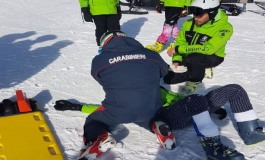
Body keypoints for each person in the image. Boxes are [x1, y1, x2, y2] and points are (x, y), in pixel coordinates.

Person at [55, 84, 265, 160]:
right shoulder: (127, 95)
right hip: (172, 114)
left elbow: (103, 110)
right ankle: (213, 149)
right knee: (193, 102)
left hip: (180, 110)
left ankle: (252, 132)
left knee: (234, 90)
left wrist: (213, 108)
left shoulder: (156, 89)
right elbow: (101, 109)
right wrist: (76, 106)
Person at [54, 30, 176, 160]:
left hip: (119, 110)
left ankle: (100, 137)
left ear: (104, 44)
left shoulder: (99, 60)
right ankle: (158, 124)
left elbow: (101, 79)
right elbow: (163, 72)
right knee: (144, 116)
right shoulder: (152, 54)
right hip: (150, 108)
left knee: (94, 120)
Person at [164, 0, 233, 95]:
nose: (196, 18)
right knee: (168, 77)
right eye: (194, 15)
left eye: (200, 15)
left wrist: (178, 49)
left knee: (194, 59)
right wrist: (177, 60)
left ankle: (195, 80)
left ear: (212, 13)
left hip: (213, 56)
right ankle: (198, 69)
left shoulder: (225, 28)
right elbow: (180, 42)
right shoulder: (188, 23)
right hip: (189, 55)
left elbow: (209, 49)